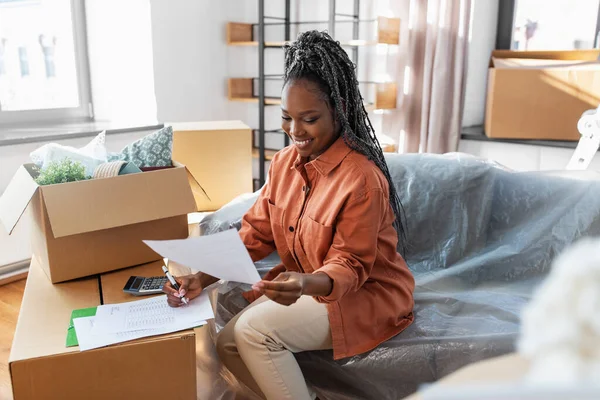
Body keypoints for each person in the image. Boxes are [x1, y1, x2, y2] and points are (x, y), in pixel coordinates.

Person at [163, 30, 415, 400]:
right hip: (308, 286)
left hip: (363, 295)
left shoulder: (362, 179)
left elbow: (350, 266)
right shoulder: (283, 164)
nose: (294, 131)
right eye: (286, 117)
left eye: (308, 119)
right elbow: (256, 233)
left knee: (254, 333)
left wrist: (305, 284)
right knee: (228, 342)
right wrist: (201, 278)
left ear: (339, 109)